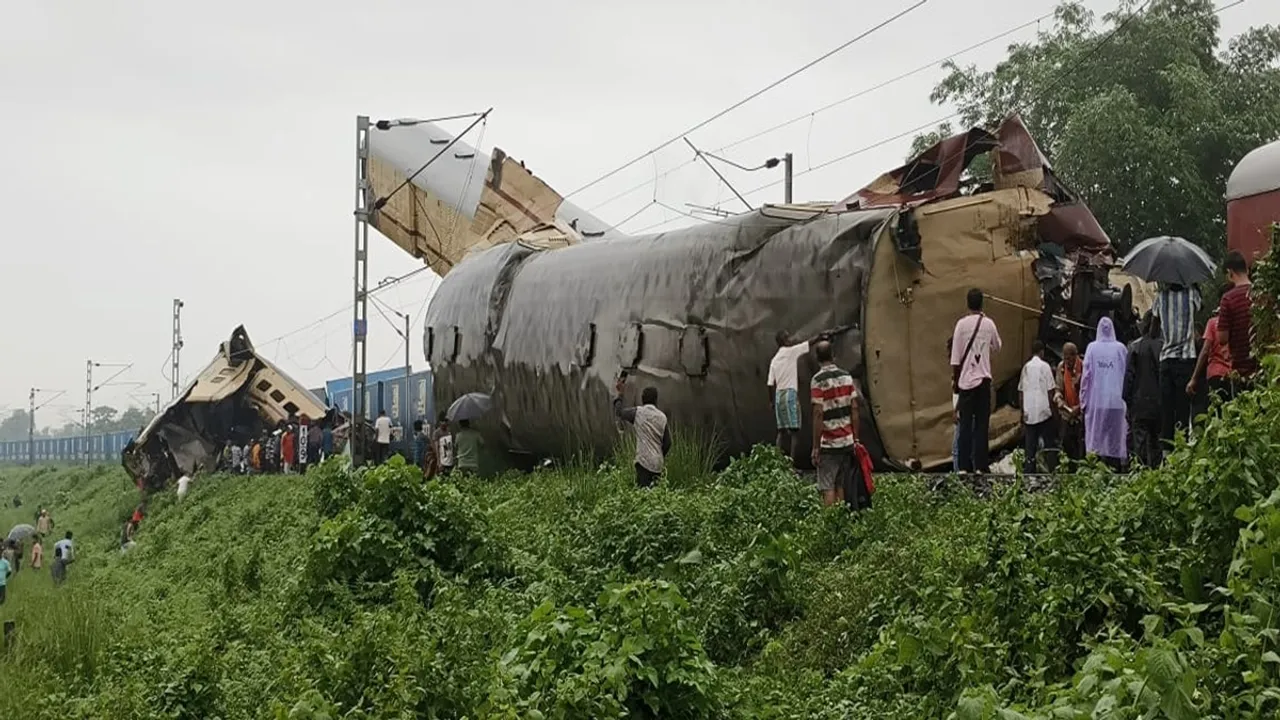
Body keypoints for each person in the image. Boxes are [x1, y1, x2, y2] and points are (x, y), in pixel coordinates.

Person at [809, 341, 869, 508]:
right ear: (833, 355)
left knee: (827, 486)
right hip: (847, 442)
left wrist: (815, 447)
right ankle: (841, 522)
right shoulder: (846, 377)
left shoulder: (817, 381)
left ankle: (831, 525)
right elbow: (855, 407)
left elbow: (818, 413)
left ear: (817, 358)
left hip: (829, 443)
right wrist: (855, 438)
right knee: (840, 484)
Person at [950, 288, 1002, 473]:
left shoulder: (960, 325)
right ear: (982, 303)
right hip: (983, 381)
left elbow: (955, 360)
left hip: (965, 383)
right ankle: (980, 465)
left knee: (965, 425)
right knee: (981, 424)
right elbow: (997, 346)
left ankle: (964, 466)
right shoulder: (988, 323)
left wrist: (956, 387)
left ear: (967, 303)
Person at [1153, 283, 1200, 448]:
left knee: (1166, 409)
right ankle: (1182, 449)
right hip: (1186, 359)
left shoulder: (1160, 297)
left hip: (1166, 359)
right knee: (1183, 408)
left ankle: (1166, 453)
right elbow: (1199, 310)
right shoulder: (1192, 294)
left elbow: (1153, 329)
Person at [1082, 316, 1129, 470]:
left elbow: (1085, 378)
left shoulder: (1092, 348)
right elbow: (1127, 373)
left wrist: (1083, 402)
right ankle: (1116, 470)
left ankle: (1098, 472)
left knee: (1097, 438)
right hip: (1117, 401)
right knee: (1115, 439)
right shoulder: (1121, 349)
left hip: (1097, 402)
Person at [612, 375, 672, 488]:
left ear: (642, 399)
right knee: (656, 494)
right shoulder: (662, 417)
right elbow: (668, 443)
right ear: (656, 400)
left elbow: (619, 412)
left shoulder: (638, 413)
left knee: (642, 493)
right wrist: (659, 454)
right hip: (657, 464)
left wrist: (620, 394)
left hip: (644, 462)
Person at [1125, 314, 1164, 468]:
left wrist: (1127, 400)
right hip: (1159, 404)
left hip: (1139, 403)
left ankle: (1139, 472)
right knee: (1157, 442)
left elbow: (1128, 377)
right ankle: (1156, 475)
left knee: (1139, 443)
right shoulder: (1165, 346)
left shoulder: (1134, 347)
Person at [1218, 250, 1258, 392]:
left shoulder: (1228, 299)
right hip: (1264, 365)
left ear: (1230, 273)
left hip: (1241, 367)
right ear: (1246, 269)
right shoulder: (1261, 292)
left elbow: (1222, 338)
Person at [769, 330, 811, 464]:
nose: (791, 339)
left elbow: (770, 383)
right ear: (785, 340)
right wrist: (821, 336)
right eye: (788, 337)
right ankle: (791, 464)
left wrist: (771, 402)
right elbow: (809, 343)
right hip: (790, 395)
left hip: (778, 396)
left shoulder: (774, 360)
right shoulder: (792, 352)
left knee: (781, 431)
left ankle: (777, 461)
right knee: (794, 432)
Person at [1019, 340, 1059, 474]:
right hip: (1044, 412)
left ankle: (1029, 473)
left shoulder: (1025, 368)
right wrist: (1054, 413)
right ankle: (1053, 472)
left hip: (1029, 413)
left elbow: (1021, 392)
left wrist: (1022, 413)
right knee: (1049, 445)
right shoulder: (1045, 366)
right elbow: (1050, 391)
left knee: (1030, 447)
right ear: (1042, 351)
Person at [1187, 304, 1233, 403]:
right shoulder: (1234, 323)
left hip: (1215, 374)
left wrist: (1194, 378)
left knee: (1216, 412)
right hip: (1232, 374)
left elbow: (1205, 351)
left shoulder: (1212, 323)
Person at [1055, 342, 1085, 464]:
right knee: (1066, 446)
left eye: (1069, 358)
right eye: (1065, 358)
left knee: (1081, 449)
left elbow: (1089, 392)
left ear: (1075, 356)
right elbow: (1058, 388)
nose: (1067, 361)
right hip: (1067, 415)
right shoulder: (1061, 368)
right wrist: (1058, 399)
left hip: (1081, 415)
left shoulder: (1084, 367)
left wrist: (1079, 408)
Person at [433, 413, 455, 477]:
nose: (444, 423)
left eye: (446, 421)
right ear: (440, 422)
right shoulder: (437, 433)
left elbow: (452, 446)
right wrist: (439, 462)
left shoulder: (449, 432)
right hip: (442, 461)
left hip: (450, 461)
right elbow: (436, 448)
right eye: (442, 421)